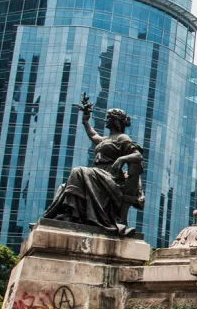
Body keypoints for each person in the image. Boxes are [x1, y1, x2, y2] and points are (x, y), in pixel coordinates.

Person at [44, 94, 145, 236]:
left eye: (108, 117)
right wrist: (86, 121)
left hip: (110, 176)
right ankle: (70, 214)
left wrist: (121, 159)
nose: (105, 120)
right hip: (97, 175)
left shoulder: (122, 138)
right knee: (63, 187)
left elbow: (138, 155)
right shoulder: (106, 139)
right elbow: (93, 135)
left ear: (116, 121)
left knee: (78, 171)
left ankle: (75, 215)